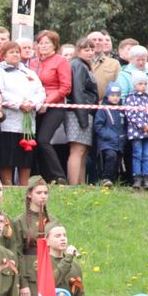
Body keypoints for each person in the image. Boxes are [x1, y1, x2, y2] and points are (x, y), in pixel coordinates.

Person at [0, 41, 45, 185]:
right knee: (7, 156)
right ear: (3, 55)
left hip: (27, 123)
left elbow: (41, 91)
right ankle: (8, 185)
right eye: (11, 52)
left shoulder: (29, 72)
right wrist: (19, 103)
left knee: (26, 158)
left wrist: (33, 103)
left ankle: (23, 186)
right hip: (9, 122)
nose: (15, 54)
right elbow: (0, 92)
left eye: (17, 51)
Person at [11, 176, 55, 296]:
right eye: (39, 192)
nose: (43, 196)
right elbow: (18, 253)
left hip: (49, 271)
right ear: (29, 194)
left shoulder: (53, 221)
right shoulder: (20, 221)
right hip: (30, 274)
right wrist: (22, 283)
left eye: (45, 193)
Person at [31, 30, 72, 184]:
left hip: (54, 106)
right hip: (36, 105)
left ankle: (59, 176)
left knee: (43, 140)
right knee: (33, 141)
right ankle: (39, 176)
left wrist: (47, 102)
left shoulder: (60, 61)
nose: (43, 46)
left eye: (47, 43)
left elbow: (65, 87)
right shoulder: (33, 63)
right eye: (40, 43)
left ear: (54, 45)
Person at [63, 37, 98, 185]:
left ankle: (81, 184)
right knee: (77, 151)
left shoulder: (85, 65)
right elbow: (78, 91)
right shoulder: (78, 65)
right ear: (78, 51)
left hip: (85, 112)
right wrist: (82, 116)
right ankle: (73, 185)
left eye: (92, 49)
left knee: (83, 151)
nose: (90, 52)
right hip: (78, 113)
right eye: (86, 50)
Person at [48, 225, 89, 296]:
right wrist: (68, 259)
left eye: (64, 235)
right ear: (47, 241)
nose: (63, 238)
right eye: (57, 236)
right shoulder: (42, 262)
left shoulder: (75, 266)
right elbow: (51, 282)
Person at [124, 71, 148, 190]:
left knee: (146, 155)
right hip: (136, 133)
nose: (143, 86)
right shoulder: (130, 98)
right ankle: (137, 178)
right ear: (134, 85)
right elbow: (131, 115)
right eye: (140, 83)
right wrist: (143, 126)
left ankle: (147, 178)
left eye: (145, 83)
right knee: (137, 154)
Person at [93, 82, 125, 188]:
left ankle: (114, 180)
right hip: (106, 143)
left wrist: (123, 137)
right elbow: (98, 126)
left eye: (117, 95)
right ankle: (106, 178)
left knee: (117, 161)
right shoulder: (103, 109)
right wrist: (110, 135)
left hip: (119, 143)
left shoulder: (122, 110)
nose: (115, 98)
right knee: (111, 156)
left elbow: (124, 126)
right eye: (112, 95)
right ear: (107, 95)